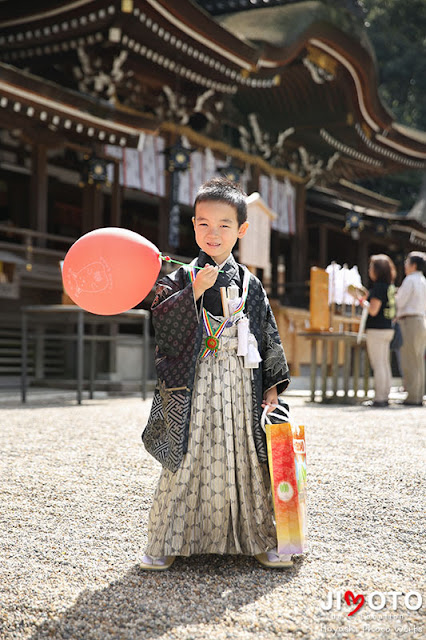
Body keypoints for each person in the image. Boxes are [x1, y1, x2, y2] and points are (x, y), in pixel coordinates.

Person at [141, 177, 291, 570]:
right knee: (187, 456)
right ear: (193, 226)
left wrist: (272, 387)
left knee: (244, 455)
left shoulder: (251, 283)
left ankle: (257, 537)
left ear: (241, 230)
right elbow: (161, 325)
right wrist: (189, 293)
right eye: (204, 224)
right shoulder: (179, 277)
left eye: (224, 225)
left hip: (241, 382)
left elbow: (267, 332)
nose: (213, 233)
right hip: (195, 381)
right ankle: (168, 540)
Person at [361, 254, 396, 407]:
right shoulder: (389, 287)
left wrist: (362, 302)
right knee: (384, 363)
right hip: (388, 328)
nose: (369, 270)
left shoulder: (378, 288)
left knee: (378, 364)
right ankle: (385, 395)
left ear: (377, 270)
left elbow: (373, 310)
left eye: (371, 267)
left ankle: (380, 398)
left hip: (376, 329)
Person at [395, 251, 426, 406]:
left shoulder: (410, 280)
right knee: (419, 360)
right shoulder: (423, 280)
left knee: (409, 359)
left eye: (407, 262)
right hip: (421, 320)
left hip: (409, 321)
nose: (405, 265)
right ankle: (418, 394)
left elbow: (400, 301)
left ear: (413, 265)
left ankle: (412, 397)